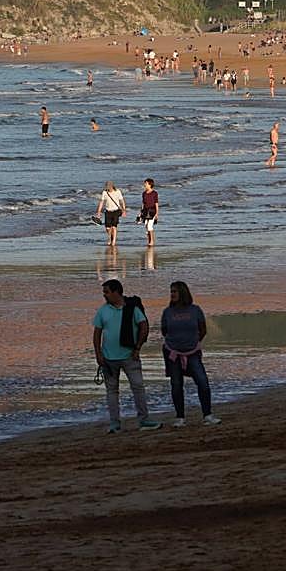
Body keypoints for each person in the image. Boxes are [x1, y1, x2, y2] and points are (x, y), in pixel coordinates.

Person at [93, 279, 161, 433]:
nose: (104, 295)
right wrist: (98, 354)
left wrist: (138, 348)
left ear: (116, 292)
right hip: (109, 358)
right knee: (112, 391)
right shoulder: (103, 310)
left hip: (130, 356)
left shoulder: (132, 308)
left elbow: (144, 326)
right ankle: (114, 424)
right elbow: (97, 333)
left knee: (138, 388)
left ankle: (144, 420)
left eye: (107, 292)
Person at [161, 281, 220, 427]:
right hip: (173, 353)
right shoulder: (167, 312)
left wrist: (194, 343)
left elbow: (203, 329)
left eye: (174, 291)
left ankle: (208, 414)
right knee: (176, 384)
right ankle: (180, 417)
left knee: (202, 382)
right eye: (171, 292)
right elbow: (164, 331)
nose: (172, 294)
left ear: (182, 292)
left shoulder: (195, 310)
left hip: (192, 352)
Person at [95, 181, 126, 247]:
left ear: (112, 186)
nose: (107, 187)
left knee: (114, 226)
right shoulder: (104, 192)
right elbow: (102, 202)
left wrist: (124, 210)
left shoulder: (117, 191)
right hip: (108, 211)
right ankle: (110, 237)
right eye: (106, 186)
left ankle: (113, 241)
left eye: (108, 186)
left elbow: (122, 201)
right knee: (108, 228)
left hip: (116, 211)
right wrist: (99, 211)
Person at [140, 178, 159, 247]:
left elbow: (156, 203)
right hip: (145, 211)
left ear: (150, 185)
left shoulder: (154, 193)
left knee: (149, 226)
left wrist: (157, 213)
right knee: (146, 225)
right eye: (144, 183)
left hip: (152, 211)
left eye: (146, 184)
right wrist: (141, 212)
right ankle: (149, 240)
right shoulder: (144, 193)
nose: (144, 185)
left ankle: (152, 241)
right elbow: (143, 203)